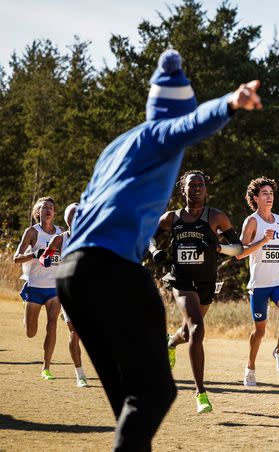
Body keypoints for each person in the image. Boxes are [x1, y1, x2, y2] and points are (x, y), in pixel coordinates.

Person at [57, 49, 261, 450]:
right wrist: (231, 102)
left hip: (73, 273)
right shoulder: (159, 134)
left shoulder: (117, 146)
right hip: (111, 267)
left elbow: (84, 205)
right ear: (173, 111)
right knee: (156, 393)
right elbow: (191, 123)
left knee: (129, 401)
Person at [150, 170, 243, 413]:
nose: (197, 189)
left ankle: (170, 343)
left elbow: (238, 247)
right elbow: (148, 238)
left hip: (207, 282)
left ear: (206, 190)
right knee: (197, 329)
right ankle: (200, 392)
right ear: (183, 190)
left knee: (188, 331)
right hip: (181, 280)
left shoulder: (216, 217)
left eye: (201, 185)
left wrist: (219, 247)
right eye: (192, 185)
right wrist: (154, 252)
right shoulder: (171, 218)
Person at [236, 177, 279, 385]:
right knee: (260, 330)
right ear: (256, 198)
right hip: (259, 284)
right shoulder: (252, 221)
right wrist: (262, 240)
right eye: (264, 193)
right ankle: (250, 367)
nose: (269, 197)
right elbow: (240, 253)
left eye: (271, 193)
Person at [13, 197, 63, 381]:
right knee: (30, 332)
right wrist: (34, 254)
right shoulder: (32, 232)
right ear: (38, 213)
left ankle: (46, 367)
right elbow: (16, 258)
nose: (48, 209)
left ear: (54, 212)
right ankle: (26, 311)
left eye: (51, 207)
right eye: (44, 207)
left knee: (53, 323)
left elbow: (65, 258)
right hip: (34, 285)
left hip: (54, 288)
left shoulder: (61, 232)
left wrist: (51, 259)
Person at [41, 202, 88, 387]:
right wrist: (55, 259)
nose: (76, 216)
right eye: (72, 213)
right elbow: (45, 258)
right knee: (74, 333)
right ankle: (80, 375)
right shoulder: (59, 239)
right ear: (67, 218)